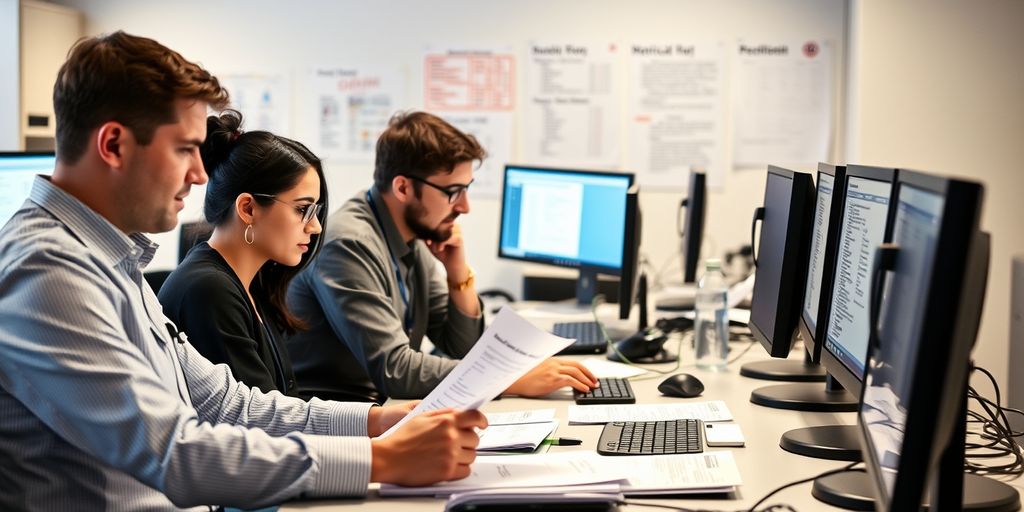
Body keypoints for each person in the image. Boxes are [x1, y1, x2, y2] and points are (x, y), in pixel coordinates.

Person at [0, 32, 485, 510]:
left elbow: (228, 405)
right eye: (184, 149)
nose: (200, 173)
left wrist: (377, 421)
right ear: (113, 144)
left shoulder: (113, 260)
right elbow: (177, 453)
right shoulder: (48, 271)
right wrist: (380, 458)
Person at [286, 111, 599, 403]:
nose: (464, 206)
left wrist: (457, 272)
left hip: (382, 408)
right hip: (340, 420)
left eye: (466, 189)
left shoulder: (409, 234)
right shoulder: (349, 244)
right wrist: (508, 377)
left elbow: (461, 347)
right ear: (403, 188)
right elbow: (395, 370)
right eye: (453, 192)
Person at [158, 110, 323, 397]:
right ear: (248, 208)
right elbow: (261, 422)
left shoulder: (249, 283)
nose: (316, 226)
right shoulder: (209, 291)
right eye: (302, 210)